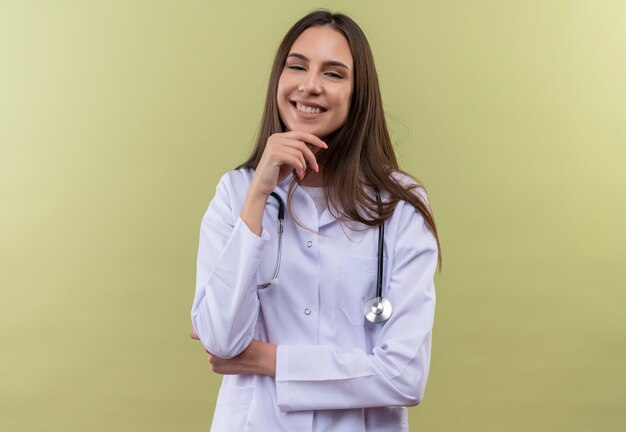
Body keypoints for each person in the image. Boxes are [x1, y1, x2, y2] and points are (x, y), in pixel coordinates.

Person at [190, 10, 441, 431]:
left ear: (358, 93)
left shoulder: (401, 206)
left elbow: (404, 377)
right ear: (279, 78)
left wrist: (267, 359)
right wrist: (258, 195)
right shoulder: (236, 193)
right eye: (298, 66)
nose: (310, 85)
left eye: (334, 73)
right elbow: (220, 340)